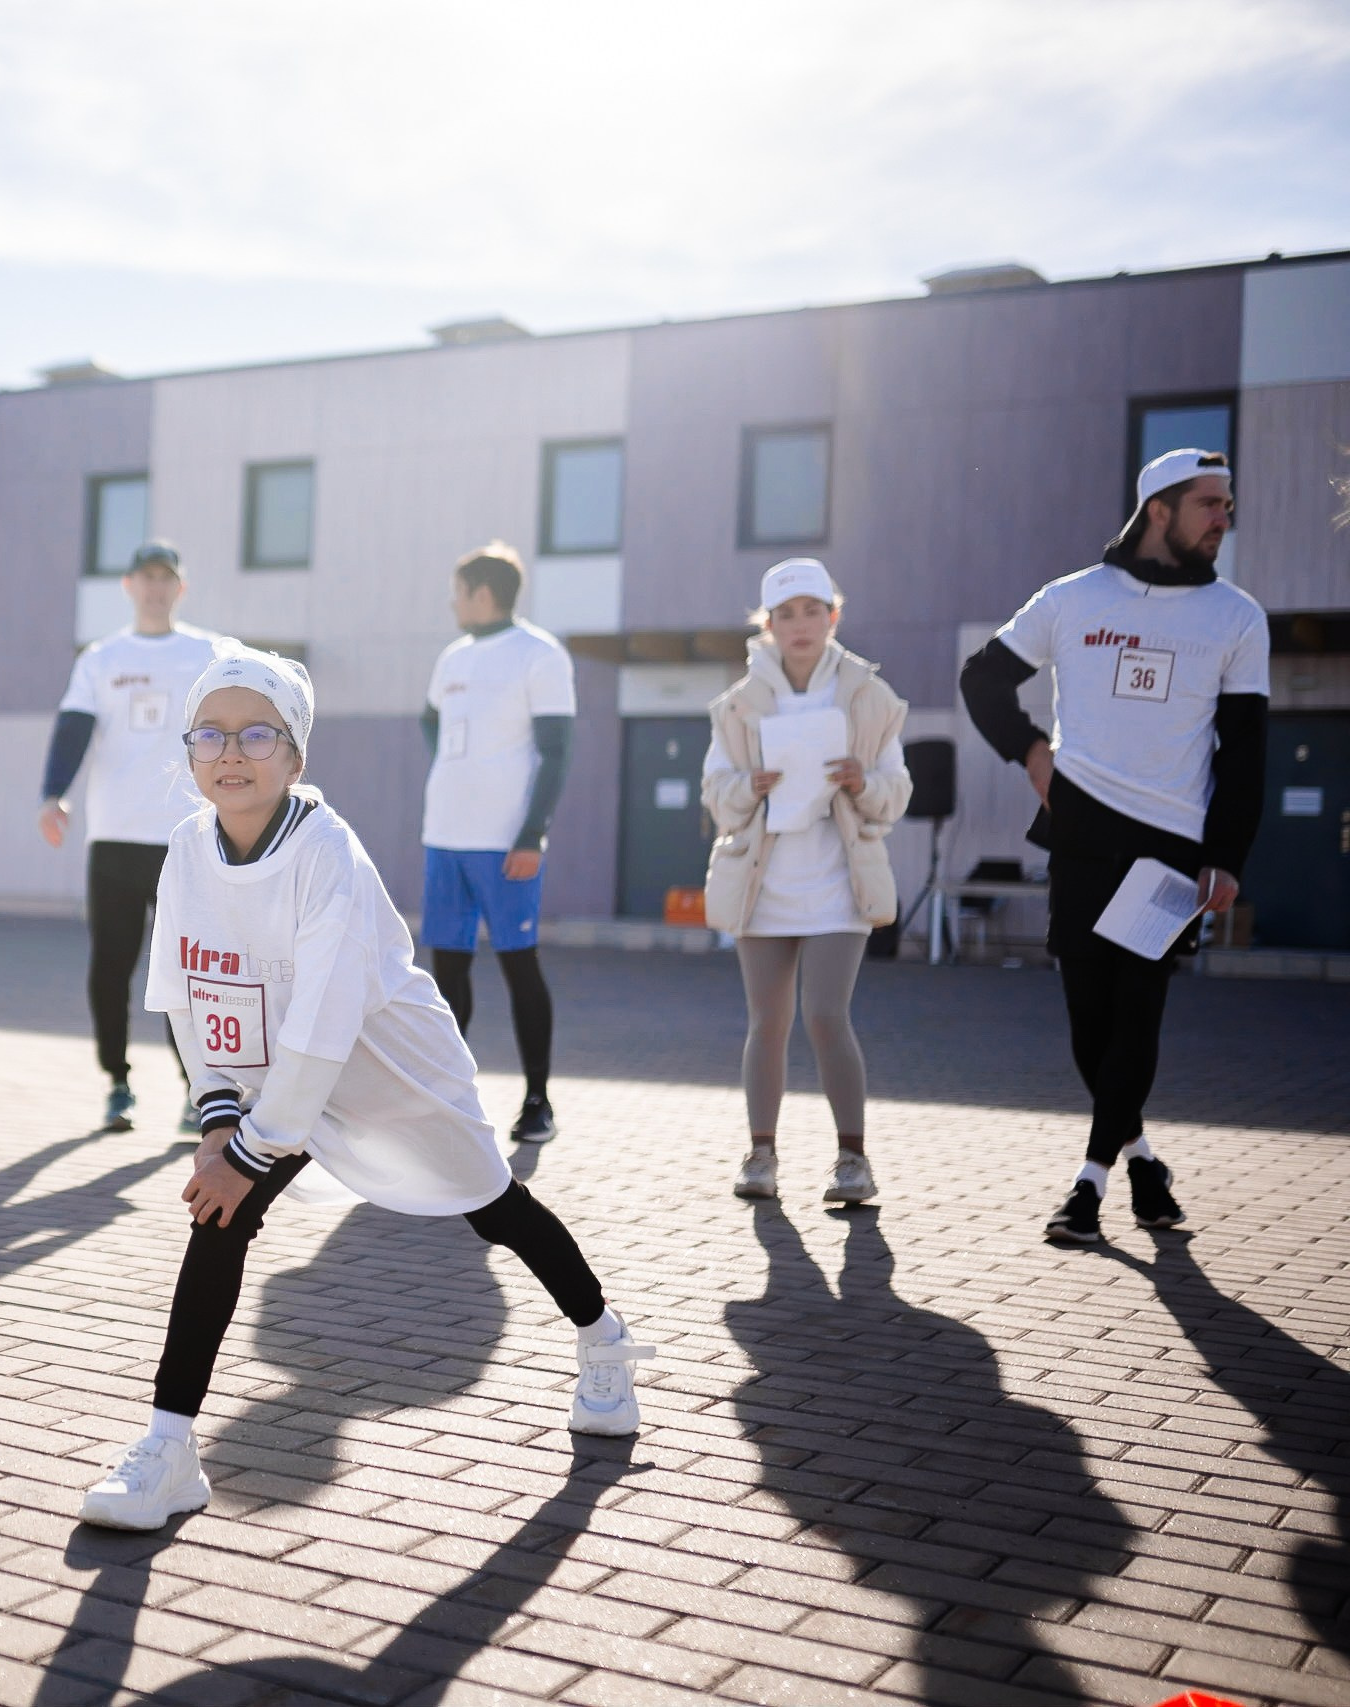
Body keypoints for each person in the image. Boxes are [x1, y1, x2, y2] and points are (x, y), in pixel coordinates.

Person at [77, 644, 651, 1532]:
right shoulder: (188, 849)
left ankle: (604, 1339)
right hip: (280, 1074)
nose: (233, 751)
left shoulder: (326, 852)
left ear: (297, 755)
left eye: (258, 732)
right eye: (211, 733)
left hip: (391, 1071)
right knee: (216, 1216)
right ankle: (170, 1448)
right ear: (189, 754)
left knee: (494, 1205)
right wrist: (219, 1117)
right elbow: (187, 998)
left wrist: (250, 1148)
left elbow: (323, 1025)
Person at [961, 448, 1267, 1246]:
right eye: (1208, 503)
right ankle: (1144, 1163)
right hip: (1083, 830)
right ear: (1158, 510)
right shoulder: (1071, 599)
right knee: (1087, 1024)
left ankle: (1088, 1187)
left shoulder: (1237, 617)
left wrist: (1226, 854)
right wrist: (1034, 755)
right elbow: (981, 681)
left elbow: (1246, 750)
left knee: (1139, 1009)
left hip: (1172, 846)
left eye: (1227, 504)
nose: (1223, 519)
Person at [702, 560, 912, 1203]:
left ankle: (853, 1162)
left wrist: (860, 780)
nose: (800, 625)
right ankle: (760, 1156)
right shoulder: (739, 703)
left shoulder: (866, 696)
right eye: (786, 614)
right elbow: (718, 792)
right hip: (762, 885)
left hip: (838, 884)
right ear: (767, 625)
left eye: (812, 611)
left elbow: (895, 791)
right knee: (767, 1020)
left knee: (824, 1015)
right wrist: (749, 786)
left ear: (833, 616)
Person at [40, 540, 222, 1134]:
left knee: (185, 970)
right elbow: (73, 726)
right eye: (145, 577)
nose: (155, 587)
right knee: (112, 965)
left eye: (166, 577)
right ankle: (117, 1082)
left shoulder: (208, 652)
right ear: (128, 585)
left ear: (180, 587)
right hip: (115, 837)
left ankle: (197, 1089)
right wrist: (53, 793)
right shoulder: (101, 658)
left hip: (187, 839)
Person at [419, 543, 574, 1144]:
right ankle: (450, 1098)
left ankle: (538, 1101)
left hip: (508, 843)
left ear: (481, 593)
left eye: (457, 590)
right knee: (447, 971)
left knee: (519, 965)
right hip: (444, 838)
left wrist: (533, 831)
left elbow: (559, 751)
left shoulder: (540, 655)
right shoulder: (452, 657)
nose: (452, 602)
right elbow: (428, 719)